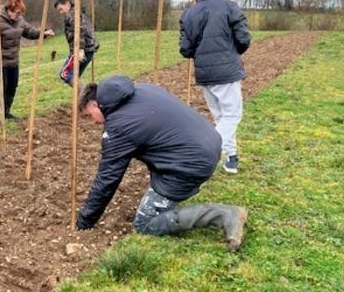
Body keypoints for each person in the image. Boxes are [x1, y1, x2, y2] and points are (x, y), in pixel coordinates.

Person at [76, 75, 248, 252]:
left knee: (145, 224)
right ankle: (170, 194)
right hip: (207, 142)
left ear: (96, 104)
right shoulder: (143, 90)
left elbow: (108, 178)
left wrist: (84, 222)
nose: (95, 122)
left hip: (191, 163)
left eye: (90, 116)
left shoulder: (120, 126)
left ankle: (224, 215)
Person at [179, 0, 252, 174]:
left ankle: (231, 159)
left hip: (204, 74)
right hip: (226, 72)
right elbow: (244, 38)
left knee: (221, 117)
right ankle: (200, 152)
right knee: (232, 115)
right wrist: (232, 52)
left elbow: (185, 50)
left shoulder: (189, 13)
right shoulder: (230, 7)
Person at [0, 0, 54, 124]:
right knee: (2, 86)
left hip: (13, 59)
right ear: (9, 10)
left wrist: (43, 33)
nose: (19, 15)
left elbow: (30, 32)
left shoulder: (20, 20)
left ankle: (7, 112)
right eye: (17, 13)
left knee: (12, 86)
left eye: (20, 13)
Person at [54, 0, 99, 84]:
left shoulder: (72, 14)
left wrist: (80, 50)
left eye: (61, 9)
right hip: (88, 49)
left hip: (83, 49)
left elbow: (79, 32)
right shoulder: (76, 13)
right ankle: (84, 96)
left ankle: (87, 94)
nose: (60, 12)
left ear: (67, 4)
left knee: (65, 74)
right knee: (75, 76)